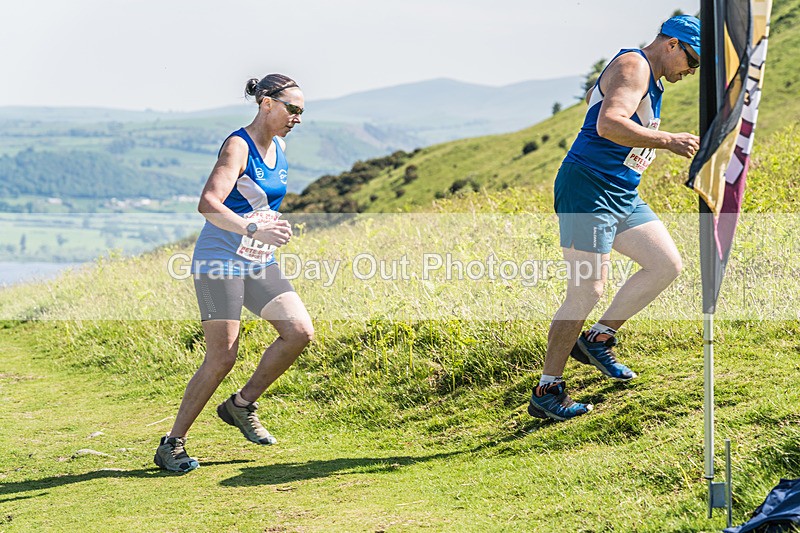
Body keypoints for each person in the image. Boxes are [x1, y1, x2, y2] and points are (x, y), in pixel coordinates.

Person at [528, 15, 702, 421]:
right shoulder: (634, 65)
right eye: (691, 61)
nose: (691, 72)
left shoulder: (651, 77)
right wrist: (667, 140)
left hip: (621, 192)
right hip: (588, 187)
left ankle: (597, 338)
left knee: (665, 265)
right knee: (586, 291)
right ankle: (547, 388)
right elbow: (608, 125)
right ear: (673, 44)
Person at [154, 74, 314, 471]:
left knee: (299, 332)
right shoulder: (238, 146)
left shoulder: (279, 146)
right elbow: (208, 203)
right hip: (218, 260)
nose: (297, 118)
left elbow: (258, 202)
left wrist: (269, 227)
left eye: (302, 112)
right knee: (222, 358)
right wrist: (255, 227)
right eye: (292, 109)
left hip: (256, 259)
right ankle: (172, 444)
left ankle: (241, 405)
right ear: (266, 104)